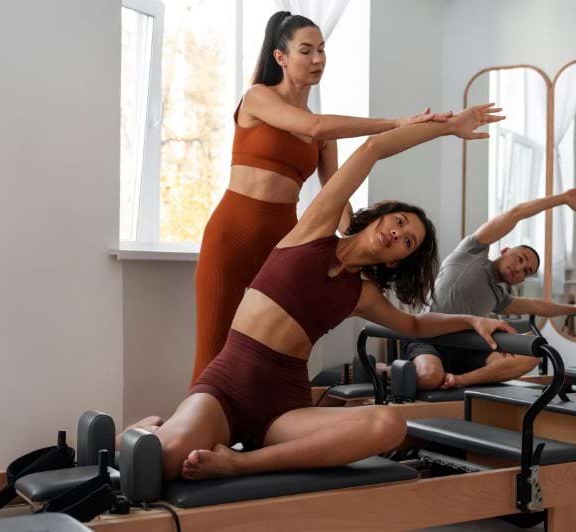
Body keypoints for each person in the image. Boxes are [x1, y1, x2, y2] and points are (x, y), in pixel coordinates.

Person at [127, 104, 510, 481]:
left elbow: (412, 324)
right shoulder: (313, 232)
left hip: (283, 407)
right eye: (398, 221)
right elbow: (371, 150)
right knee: (168, 458)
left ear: (396, 261)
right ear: (379, 217)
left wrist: (473, 319)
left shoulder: (362, 295)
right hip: (227, 385)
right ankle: (150, 429)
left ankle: (242, 462)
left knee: (389, 426)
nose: (398, 233)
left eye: (407, 242)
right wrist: (446, 128)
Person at [191, 11, 452, 383]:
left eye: (322, 50)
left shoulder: (323, 131)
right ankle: (182, 436)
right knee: (213, 351)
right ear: (281, 57)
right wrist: (395, 123)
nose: (317, 60)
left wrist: (355, 243)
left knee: (263, 352)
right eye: (306, 50)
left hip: (282, 242)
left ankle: (245, 436)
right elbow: (313, 126)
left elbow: (337, 193)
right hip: (232, 234)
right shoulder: (258, 98)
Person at [404, 187, 576, 391]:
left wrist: (575, 309)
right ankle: (392, 371)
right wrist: (561, 199)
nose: (519, 268)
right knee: (429, 377)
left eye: (526, 271)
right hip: (430, 340)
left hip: (466, 349)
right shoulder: (471, 252)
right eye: (520, 258)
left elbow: (538, 306)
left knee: (532, 355)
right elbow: (516, 213)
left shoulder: (499, 298)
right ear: (505, 250)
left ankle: (460, 380)